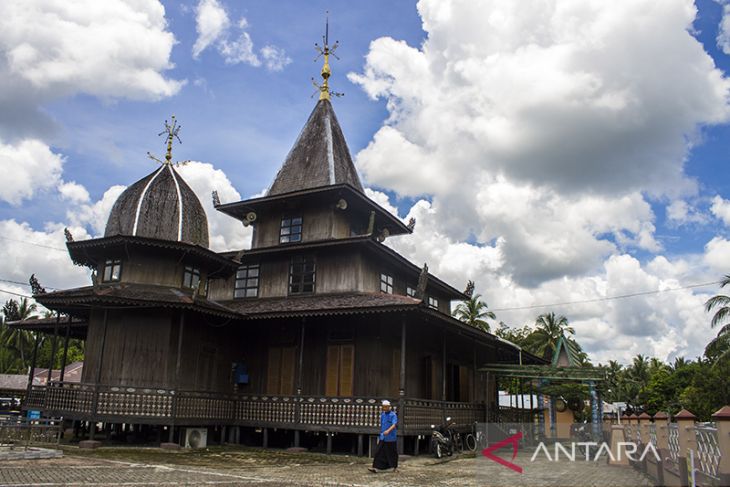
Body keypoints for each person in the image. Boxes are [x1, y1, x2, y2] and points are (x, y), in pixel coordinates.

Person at [368, 399, 398, 473]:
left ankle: (394, 467)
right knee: (378, 452)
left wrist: (388, 431)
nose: (384, 408)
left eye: (385, 407)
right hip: (383, 437)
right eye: (383, 407)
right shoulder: (383, 414)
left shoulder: (393, 415)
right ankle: (375, 467)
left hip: (391, 437)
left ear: (389, 407)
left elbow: (394, 425)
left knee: (392, 452)